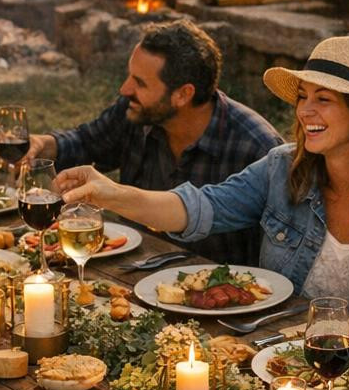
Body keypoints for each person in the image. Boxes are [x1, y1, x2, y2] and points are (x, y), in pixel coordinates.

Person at [55, 36, 349, 344]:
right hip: (288, 355)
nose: (305, 111)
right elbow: (199, 208)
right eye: (303, 97)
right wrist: (110, 193)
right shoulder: (283, 168)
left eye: (323, 99)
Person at [27, 19, 282, 267]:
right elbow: (88, 141)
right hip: (128, 270)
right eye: (130, 76)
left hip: (217, 295)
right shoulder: (136, 111)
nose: (124, 89)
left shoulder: (256, 147)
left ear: (183, 94)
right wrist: (44, 143)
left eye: (139, 82)